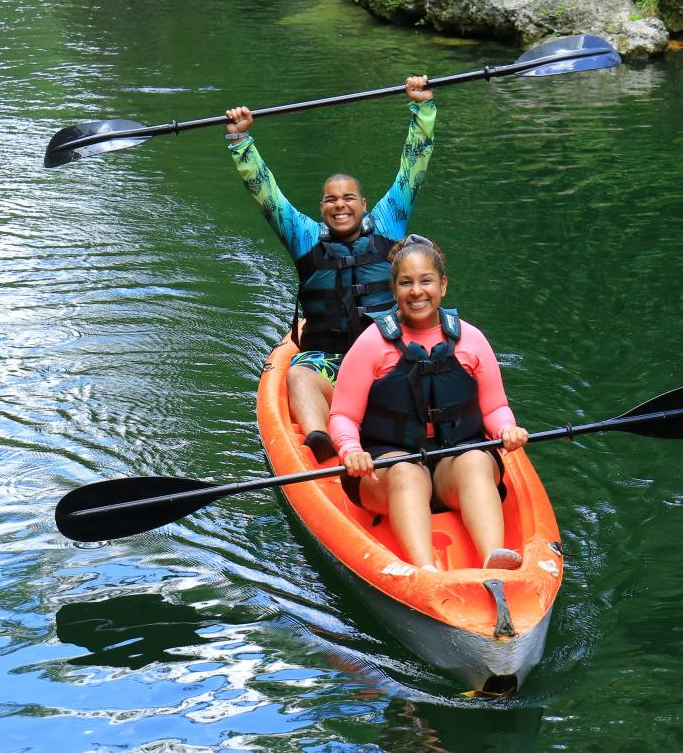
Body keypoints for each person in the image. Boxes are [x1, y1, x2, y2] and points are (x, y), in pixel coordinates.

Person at [224, 77, 435, 462]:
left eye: (349, 198)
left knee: (422, 371)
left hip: (384, 357)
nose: (341, 205)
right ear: (321, 208)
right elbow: (267, 196)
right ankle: (323, 439)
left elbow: (413, 168)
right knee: (298, 374)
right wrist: (241, 142)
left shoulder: (389, 225)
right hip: (329, 361)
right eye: (331, 200)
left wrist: (421, 109)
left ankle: (416, 437)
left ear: (364, 204)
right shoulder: (304, 237)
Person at [328, 235, 529, 572]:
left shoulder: (472, 339)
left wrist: (507, 429)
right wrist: (350, 450)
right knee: (407, 471)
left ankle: (494, 563)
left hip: (454, 465)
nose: (417, 291)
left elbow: (494, 408)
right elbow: (343, 415)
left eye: (426, 281)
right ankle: (426, 571)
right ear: (394, 289)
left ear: (443, 285)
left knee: (476, 462)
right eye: (406, 283)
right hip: (389, 470)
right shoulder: (371, 344)